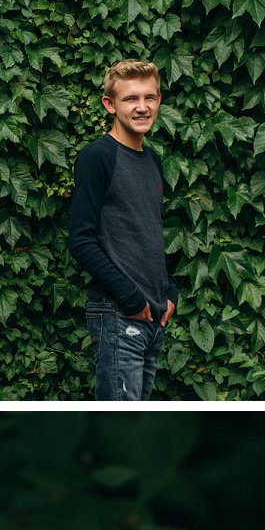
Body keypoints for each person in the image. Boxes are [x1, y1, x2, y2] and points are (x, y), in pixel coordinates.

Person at [69, 58, 179, 400]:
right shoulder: (97, 157)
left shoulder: (153, 160)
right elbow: (81, 240)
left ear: (159, 100)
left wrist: (170, 294)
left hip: (153, 315)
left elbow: (149, 232)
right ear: (110, 104)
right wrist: (130, 297)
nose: (142, 107)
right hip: (119, 312)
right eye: (131, 99)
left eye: (149, 97)